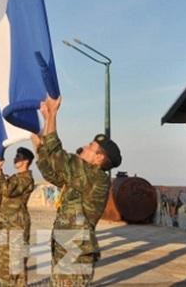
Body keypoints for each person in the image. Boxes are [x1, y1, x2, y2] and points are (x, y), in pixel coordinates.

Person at [32, 95, 121, 287]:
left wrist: (52, 115)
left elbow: (57, 155)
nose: (85, 147)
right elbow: (51, 172)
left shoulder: (96, 178)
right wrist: (39, 146)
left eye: (91, 147)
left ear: (99, 158)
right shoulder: (81, 177)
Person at [0, 148, 36, 287]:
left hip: (17, 225)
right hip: (6, 223)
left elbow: (7, 190)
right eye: (15, 156)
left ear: (26, 161)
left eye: (18, 156)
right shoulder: (15, 177)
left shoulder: (26, 179)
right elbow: (1, 187)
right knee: (3, 257)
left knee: (16, 260)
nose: (15, 159)